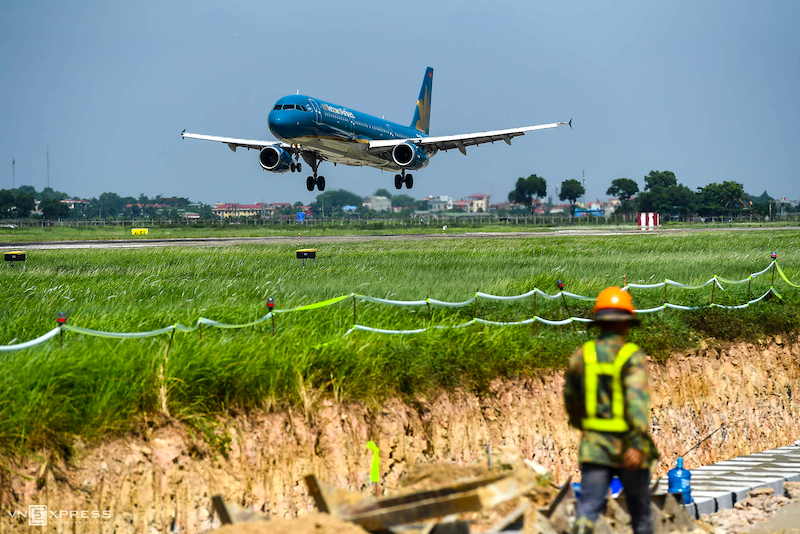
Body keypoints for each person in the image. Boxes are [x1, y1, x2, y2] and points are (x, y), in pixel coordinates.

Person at [564, 287, 660, 534]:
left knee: (588, 507)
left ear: (599, 323)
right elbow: (636, 403)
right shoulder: (631, 356)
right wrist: (638, 443)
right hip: (628, 446)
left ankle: (582, 528)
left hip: (595, 446)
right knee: (640, 513)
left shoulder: (582, 356)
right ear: (626, 324)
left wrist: (585, 428)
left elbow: (571, 401)